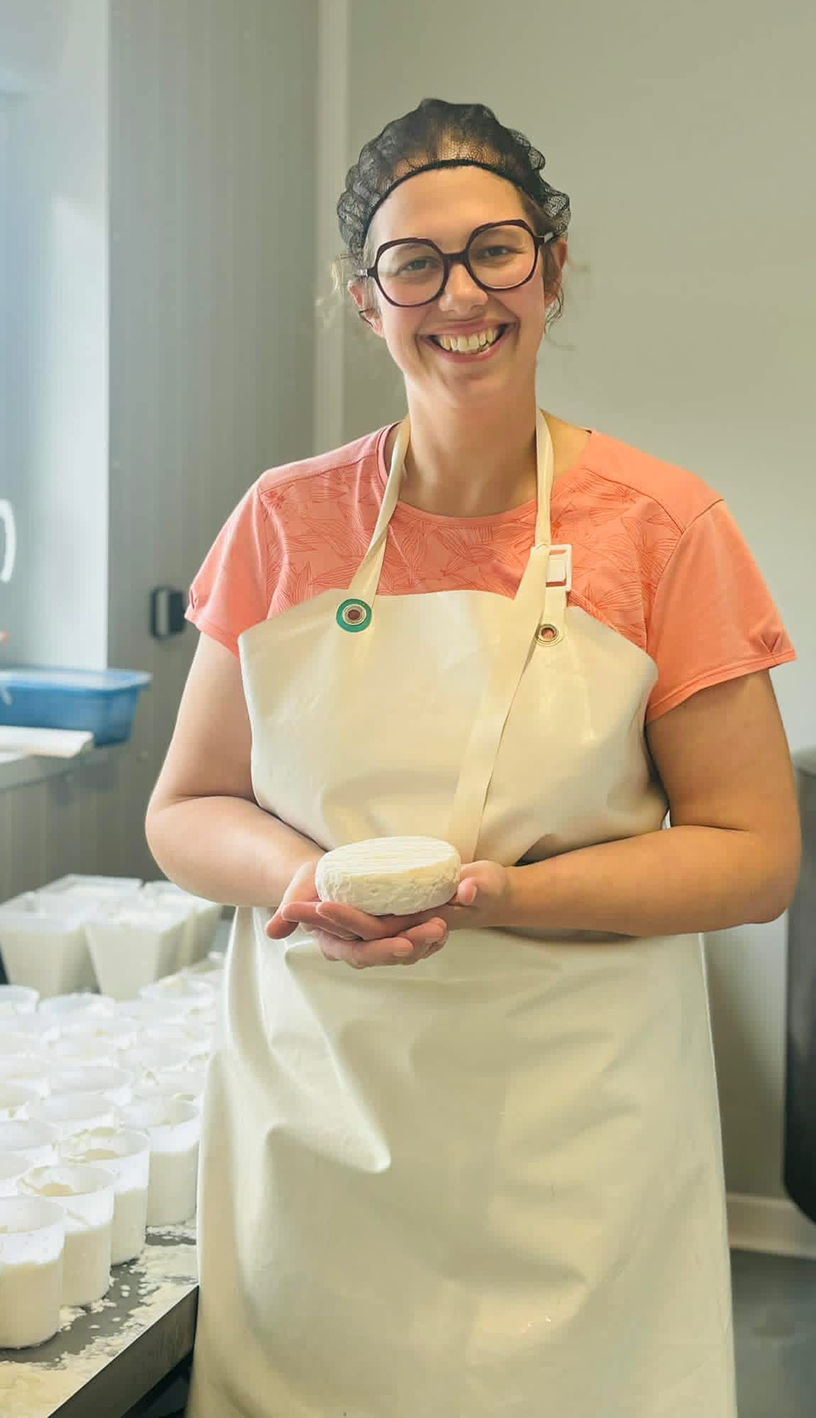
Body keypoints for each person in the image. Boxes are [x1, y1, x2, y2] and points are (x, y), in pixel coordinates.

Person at [146, 98, 801, 1418]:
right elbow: (187, 809)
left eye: (495, 250)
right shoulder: (285, 520)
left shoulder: (663, 528)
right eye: (415, 263)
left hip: (575, 1151)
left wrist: (503, 895)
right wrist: (305, 877)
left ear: (551, 270)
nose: (461, 294)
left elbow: (756, 855)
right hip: (320, 1132)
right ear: (366, 301)